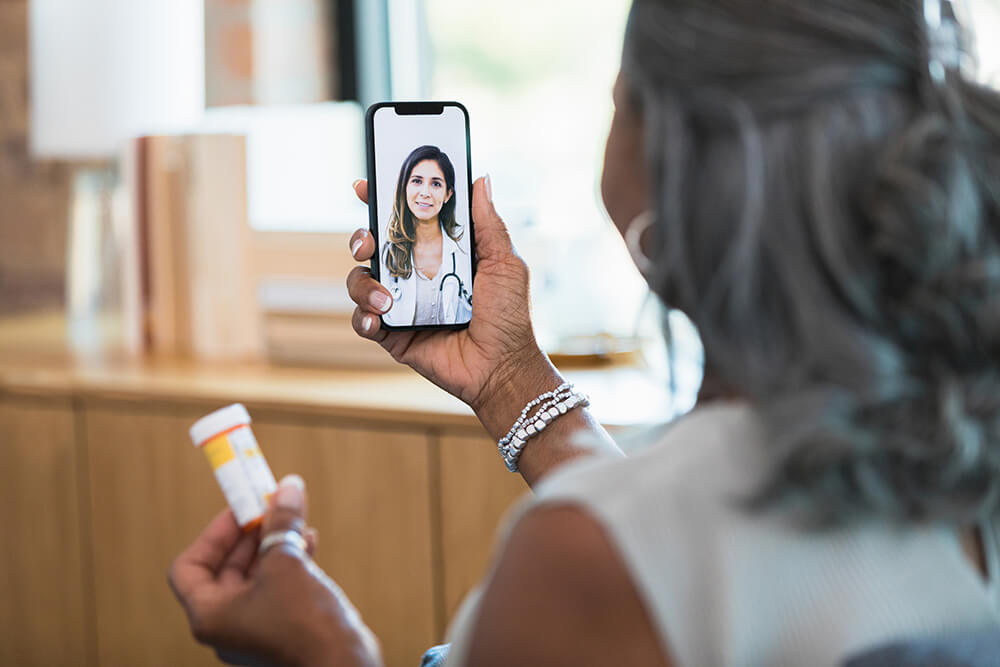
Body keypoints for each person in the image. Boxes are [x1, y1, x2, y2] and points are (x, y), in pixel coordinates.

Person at [169, 1, 1000, 665]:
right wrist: (509, 378)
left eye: (617, 99)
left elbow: (653, 547)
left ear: (664, 162)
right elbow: (678, 542)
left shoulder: (577, 558)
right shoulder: (968, 451)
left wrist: (325, 649)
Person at [379, 145, 472, 327]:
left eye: (436, 184)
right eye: (417, 181)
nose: (425, 193)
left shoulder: (465, 252)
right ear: (404, 187)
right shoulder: (386, 253)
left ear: (448, 194)